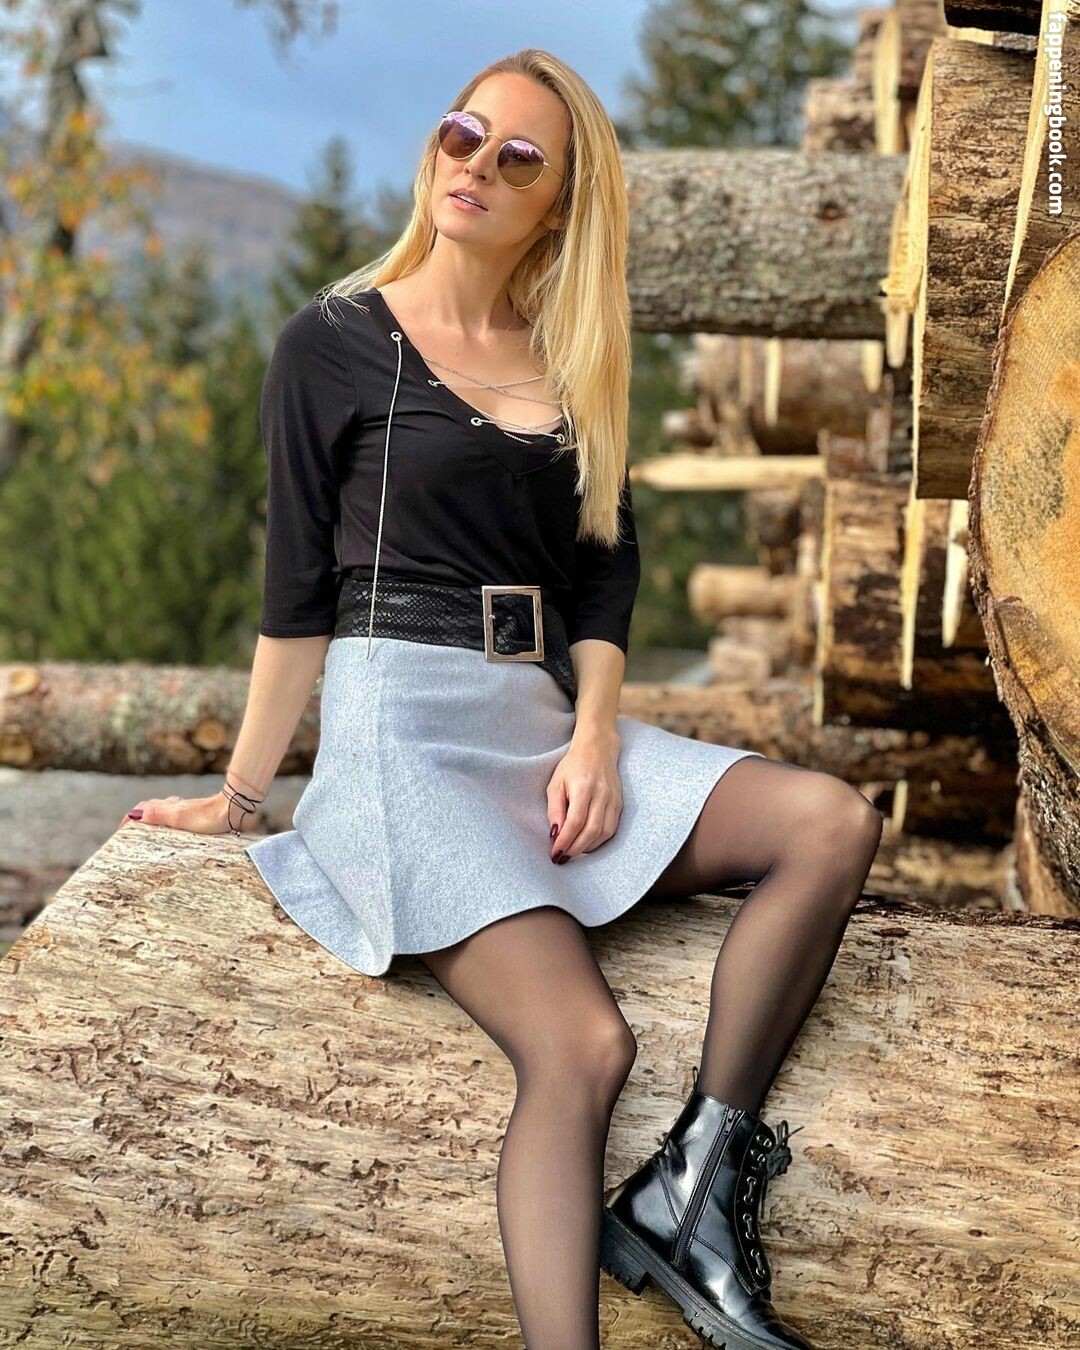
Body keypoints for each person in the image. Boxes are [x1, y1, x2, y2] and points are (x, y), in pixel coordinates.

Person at [121, 49, 882, 1350]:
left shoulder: (571, 360)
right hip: (402, 734)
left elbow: (603, 574)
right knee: (582, 1044)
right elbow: (295, 596)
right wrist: (240, 801)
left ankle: (694, 1190)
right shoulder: (333, 343)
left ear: (560, 203)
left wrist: (595, 739)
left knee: (829, 822)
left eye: (517, 156)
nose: (474, 164)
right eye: (462, 134)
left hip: (537, 720)